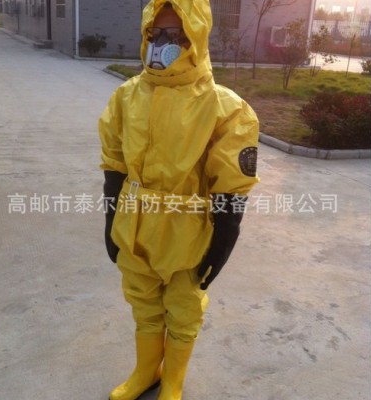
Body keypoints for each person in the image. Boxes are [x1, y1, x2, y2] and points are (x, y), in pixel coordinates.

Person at [98, 1, 259, 399]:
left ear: (196, 37)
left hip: (189, 232)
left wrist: (223, 241)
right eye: (155, 33)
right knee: (143, 303)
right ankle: (146, 372)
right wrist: (111, 220)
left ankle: (173, 381)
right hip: (135, 226)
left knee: (183, 308)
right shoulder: (126, 97)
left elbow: (231, 186)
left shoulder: (225, 108)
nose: (162, 43)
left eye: (174, 35)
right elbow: (114, 165)